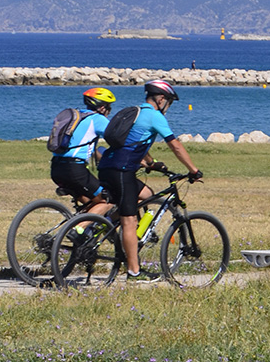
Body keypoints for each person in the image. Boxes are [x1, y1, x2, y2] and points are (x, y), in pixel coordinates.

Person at [97, 78, 202, 282]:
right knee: (130, 220)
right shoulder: (155, 116)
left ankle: (105, 224)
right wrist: (194, 170)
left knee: (146, 195)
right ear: (161, 99)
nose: (168, 107)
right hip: (122, 170)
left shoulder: (135, 112)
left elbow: (134, 143)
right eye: (169, 103)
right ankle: (134, 272)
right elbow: (176, 146)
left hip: (106, 166)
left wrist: (151, 162)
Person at [49, 87, 116, 215]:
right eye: (109, 107)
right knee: (107, 200)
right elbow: (119, 138)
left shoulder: (79, 117)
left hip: (56, 167)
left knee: (91, 201)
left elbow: (90, 148)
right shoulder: (98, 119)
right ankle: (79, 229)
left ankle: (84, 225)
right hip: (74, 169)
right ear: (102, 108)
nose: (110, 111)